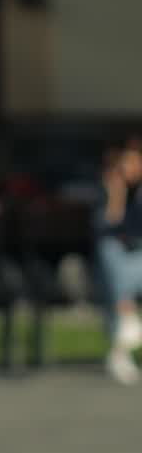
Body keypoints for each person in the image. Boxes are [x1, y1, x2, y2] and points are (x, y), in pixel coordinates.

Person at [94, 141, 142, 385]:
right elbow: (109, 225)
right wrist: (117, 193)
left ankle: (124, 335)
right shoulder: (109, 190)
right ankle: (127, 320)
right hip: (115, 259)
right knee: (111, 252)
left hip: (137, 256)